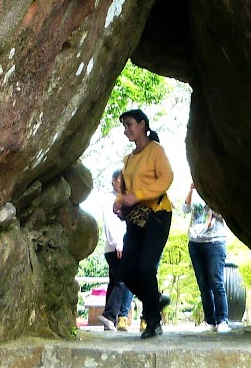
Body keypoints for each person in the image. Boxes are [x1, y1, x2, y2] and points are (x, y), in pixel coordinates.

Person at [113, 108, 173, 339]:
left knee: (146, 268)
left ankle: (153, 321)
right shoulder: (128, 159)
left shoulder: (156, 150)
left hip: (158, 215)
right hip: (135, 220)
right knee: (127, 271)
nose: (126, 130)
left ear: (142, 124)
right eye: (124, 126)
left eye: (129, 124)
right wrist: (119, 202)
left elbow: (167, 178)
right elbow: (125, 190)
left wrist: (138, 195)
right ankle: (155, 299)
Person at [184, 182, 232, 332]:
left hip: (214, 242)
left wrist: (210, 199)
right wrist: (191, 191)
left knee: (216, 282)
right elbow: (185, 209)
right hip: (195, 242)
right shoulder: (194, 192)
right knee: (203, 285)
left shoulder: (217, 193)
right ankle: (209, 321)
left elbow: (223, 214)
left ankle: (222, 320)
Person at [99, 170, 133, 331]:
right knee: (121, 280)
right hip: (115, 247)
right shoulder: (110, 199)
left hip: (119, 245)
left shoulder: (124, 199)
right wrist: (118, 243)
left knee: (114, 281)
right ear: (113, 181)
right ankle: (109, 315)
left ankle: (108, 321)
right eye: (120, 179)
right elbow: (109, 224)